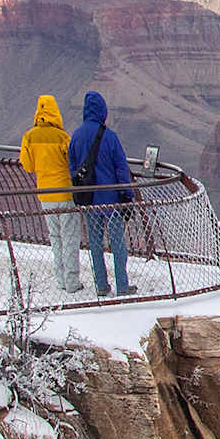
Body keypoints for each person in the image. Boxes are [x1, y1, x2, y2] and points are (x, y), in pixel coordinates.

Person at [67, 90, 135, 297]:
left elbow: (72, 167)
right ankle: (122, 286)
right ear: (103, 111)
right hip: (112, 200)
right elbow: (121, 169)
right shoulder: (110, 137)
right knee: (117, 244)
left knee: (95, 244)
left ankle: (101, 286)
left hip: (89, 201)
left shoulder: (76, 136)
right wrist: (127, 195)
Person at [17, 95, 84, 293]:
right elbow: (72, 163)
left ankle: (61, 280)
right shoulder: (63, 137)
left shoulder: (29, 136)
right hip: (64, 193)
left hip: (45, 194)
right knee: (70, 237)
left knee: (55, 237)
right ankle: (72, 282)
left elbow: (28, 166)